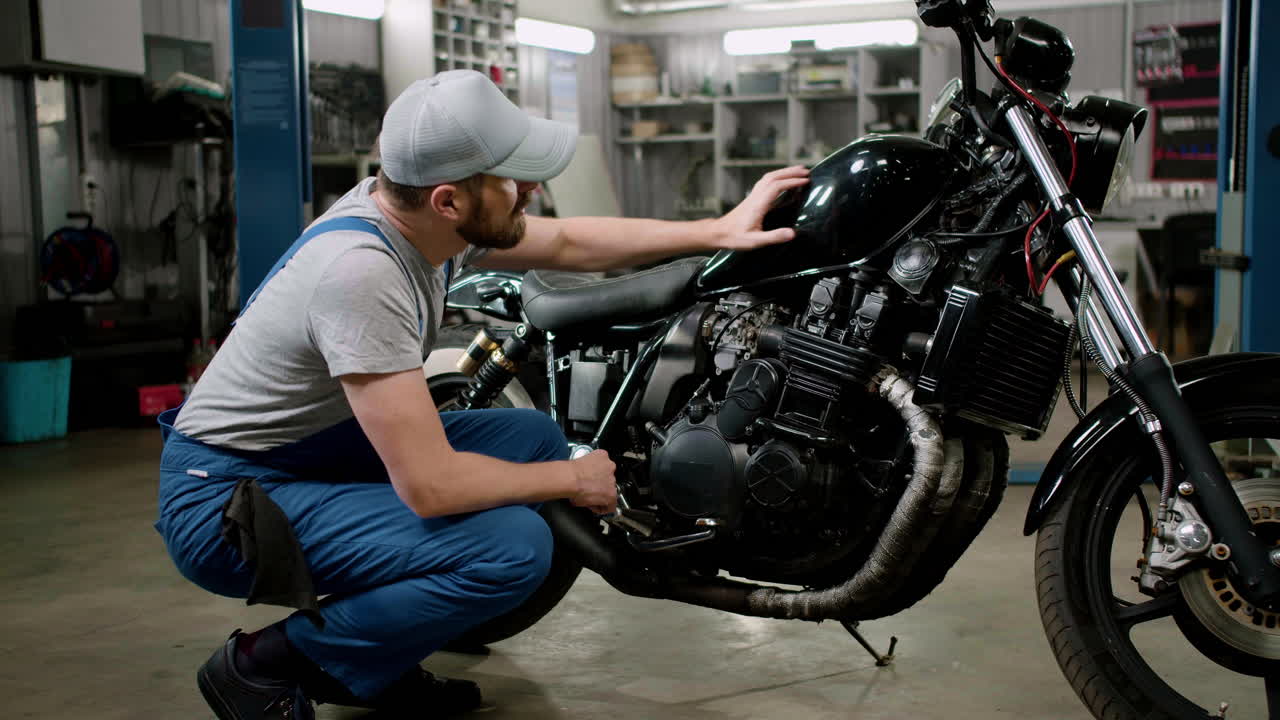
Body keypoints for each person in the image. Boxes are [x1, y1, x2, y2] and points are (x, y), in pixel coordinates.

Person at [155, 69, 809, 720]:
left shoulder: (418, 219)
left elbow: (568, 240)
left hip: (307, 453)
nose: (531, 189)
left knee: (530, 437)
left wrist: (719, 229)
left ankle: (370, 666)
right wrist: (573, 478)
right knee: (511, 549)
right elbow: (431, 488)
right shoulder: (361, 275)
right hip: (227, 501)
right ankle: (265, 664)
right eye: (513, 179)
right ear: (448, 200)